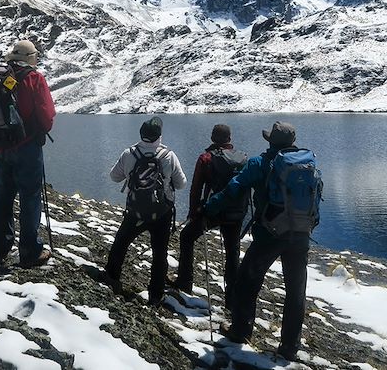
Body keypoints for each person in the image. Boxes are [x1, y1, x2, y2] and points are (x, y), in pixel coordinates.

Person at [204, 121, 317, 362]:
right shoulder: (306, 163)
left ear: (271, 141)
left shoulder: (259, 163)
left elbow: (234, 187)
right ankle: (289, 346)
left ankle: (240, 331)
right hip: (300, 233)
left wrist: (210, 206)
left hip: (271, 233)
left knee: (247, 281)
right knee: (296, 291)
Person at [105, 117, 187, 305]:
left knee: (121, 243)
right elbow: (181, 184)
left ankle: (111, 278)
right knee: (160, 253)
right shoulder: (168, 155)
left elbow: (114, 177)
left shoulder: (129, 153)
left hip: (135, 211)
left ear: (141, 133)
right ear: (159, 136)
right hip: (162, 213)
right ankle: (156, 295)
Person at [0, 40, 56, 268]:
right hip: (27, 148)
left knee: (2, 199)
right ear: (30, 57)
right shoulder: (33, 78)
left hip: (0, 148)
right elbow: (47, 115)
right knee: (30, 199)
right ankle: (30, 251)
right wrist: (39, 130)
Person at [174, 124, 248, 310]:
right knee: (233, 252)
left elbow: (196, 189)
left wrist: (193, 213)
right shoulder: (242, 158)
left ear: (213, 138)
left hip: (212, 211)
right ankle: (232, 300)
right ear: (229, 138)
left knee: (186, 237)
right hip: (236, 213)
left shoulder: (206, 158)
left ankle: (184, 282)